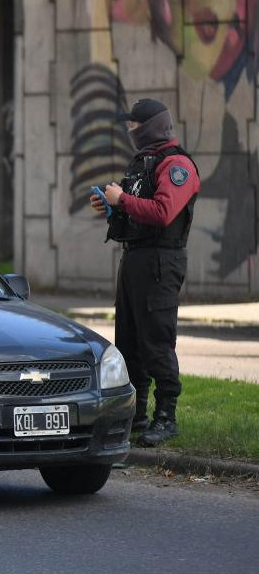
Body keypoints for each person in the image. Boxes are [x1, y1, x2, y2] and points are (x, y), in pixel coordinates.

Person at [90, 98, 200, 447]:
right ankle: (136, 414)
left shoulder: (177, 165)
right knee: (129, 341)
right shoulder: (143, 163)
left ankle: (166, 417)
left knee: (156, 341)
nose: (130, 130)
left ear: (152, 126)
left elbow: (164, 211)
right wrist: (111, 207)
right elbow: (136, 214)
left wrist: (122, 199)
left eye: (135, 125)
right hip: (135, 259)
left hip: (160, 263)